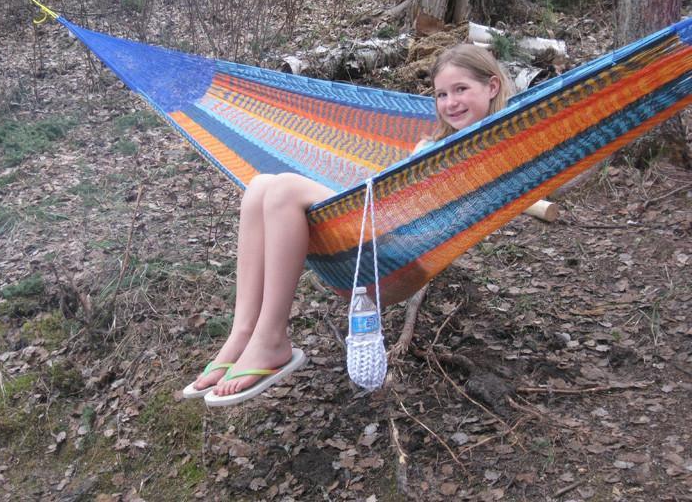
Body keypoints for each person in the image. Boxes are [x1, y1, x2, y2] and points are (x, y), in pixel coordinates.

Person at [183, 43, 513, 406]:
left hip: (400, 251)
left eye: (461, 89)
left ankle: (272, 338)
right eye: (441, 94)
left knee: (283, 190)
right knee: (259, 187)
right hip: (377, 233)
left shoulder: (500, 140)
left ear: (492, 87)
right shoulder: (435, 141)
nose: (450, 102)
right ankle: (242, 333)